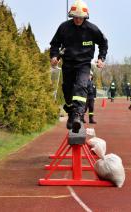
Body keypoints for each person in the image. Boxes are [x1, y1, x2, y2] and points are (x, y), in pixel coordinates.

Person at [50, 0, 107, 133]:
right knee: (67, 90)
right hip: (68, 63)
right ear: (71, 16)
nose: (77, 20)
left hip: (84, 64)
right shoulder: (64, 27)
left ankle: (78, 115)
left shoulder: (92, 29)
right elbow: (54, 44)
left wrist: (101, 58)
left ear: (85, 17)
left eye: (80, 17)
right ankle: (71, 112)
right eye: (75, 17)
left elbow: (103, 43)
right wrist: (54, 56)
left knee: (81, 86)